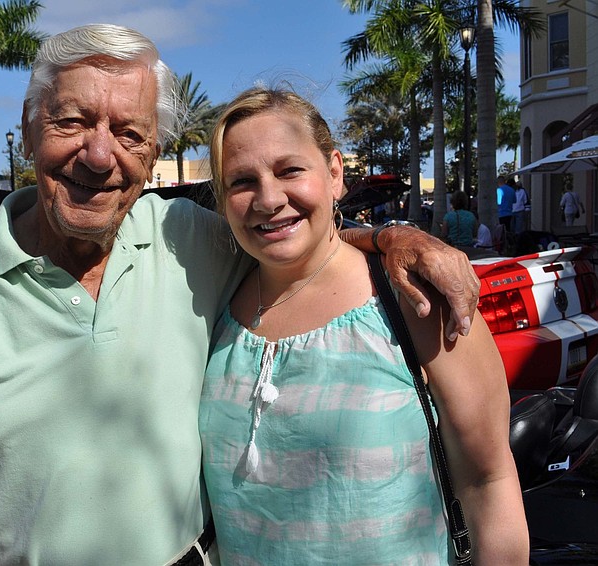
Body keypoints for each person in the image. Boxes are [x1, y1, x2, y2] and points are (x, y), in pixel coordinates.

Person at [0, 24, 480, 566]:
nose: (100, 156)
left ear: (153, 154)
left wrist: (394, 238)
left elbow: (291, 236)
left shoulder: (187, 237)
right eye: (72, 122)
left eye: (129, 133)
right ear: (30, 129)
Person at [200, 87, 527, 565]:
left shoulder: (415, 300)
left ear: (334, 173)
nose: (268, 199)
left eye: (290, 171)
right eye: (242, 181)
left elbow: (488, 481)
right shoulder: (213, 297)